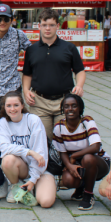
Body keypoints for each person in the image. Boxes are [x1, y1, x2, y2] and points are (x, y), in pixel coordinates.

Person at [22, 9, 86, 139]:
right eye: (44, 25)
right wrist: (25, 90)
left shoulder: (69, 48)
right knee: (42, 139)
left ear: (57, 26)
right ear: (39, 26)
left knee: (64, 139)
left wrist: (79, 85)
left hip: (65, 101)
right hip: (39, 102)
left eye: (51, 25)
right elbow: (27, 74)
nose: (47, 28)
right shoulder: (31, 50)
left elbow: (79, 70)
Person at [0, 91, 56, 208]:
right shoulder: (3, 122)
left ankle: (34, 186)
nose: (12, 109)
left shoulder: (33, 120)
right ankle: (15, 185)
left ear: (22, 106)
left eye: (16, 105)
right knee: (7, 159)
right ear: (4, 107)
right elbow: (4, 147)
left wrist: (33, 179)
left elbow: (40, 154)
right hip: (22, 168)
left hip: (40, 169)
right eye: (8, 106)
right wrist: (29, 152)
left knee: (45, 202)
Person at [52, 94, 109, 210]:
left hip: (98, 162)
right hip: (76, 163)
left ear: (80, 108)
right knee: (68, 180)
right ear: (63, 109)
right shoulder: (59, 127)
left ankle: (88, 195)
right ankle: (81, 187)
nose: (70, 109)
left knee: (87, 158)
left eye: (74, 106)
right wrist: (69, 165)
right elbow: (62, 152)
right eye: (66, 106)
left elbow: (96, 146)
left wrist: (74, 155)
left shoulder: (87, 122)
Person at [0, 4, 31, 114]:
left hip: (12, 87)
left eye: (6, 19)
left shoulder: (19, 35)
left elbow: (33, 51)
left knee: (13, 121)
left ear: (12, 20)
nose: (2, 22)